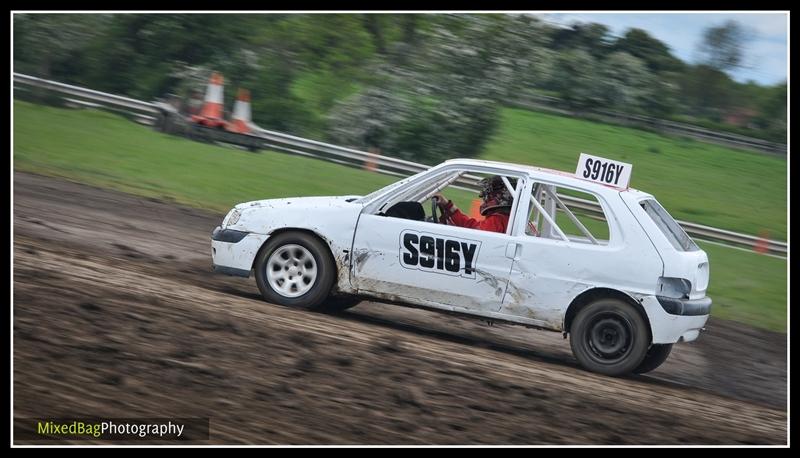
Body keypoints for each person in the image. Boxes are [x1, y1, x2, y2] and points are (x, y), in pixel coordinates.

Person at [433, 175, 513, 233]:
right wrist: (447, 205)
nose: (483, 197)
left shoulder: (496, 220)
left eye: (488, 194)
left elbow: (472, 232)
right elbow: (472, 226)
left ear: (499, 195)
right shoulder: (507, 218)